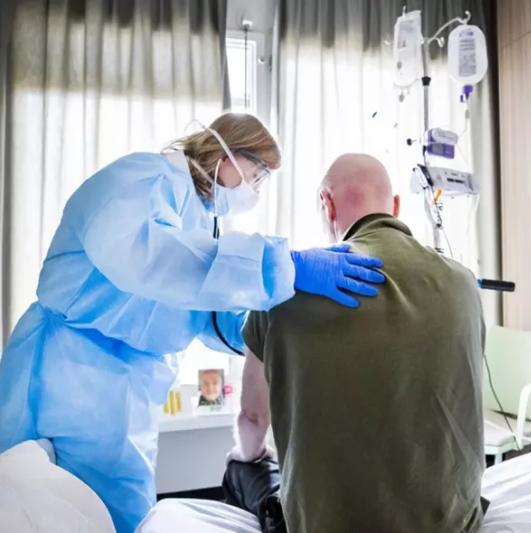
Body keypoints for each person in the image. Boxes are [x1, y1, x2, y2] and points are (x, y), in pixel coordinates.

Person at [0, 114, 385, 533]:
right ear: (226, 156)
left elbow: (205, 309)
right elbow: (153, 257)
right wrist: (282, 265)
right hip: (67, 374)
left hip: (127, 389)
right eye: (256, 175)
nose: (255, 190)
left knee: (119, 513)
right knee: (42, 506)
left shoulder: (203, 218)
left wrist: (276, 320)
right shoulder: (142, 179)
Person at [224, 153, 487, 532]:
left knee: (244, 465)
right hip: (453, 525)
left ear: (326, 203)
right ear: (395, 206)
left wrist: (248, 455)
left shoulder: (283, 287)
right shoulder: (464, 283)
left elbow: (253, 417)